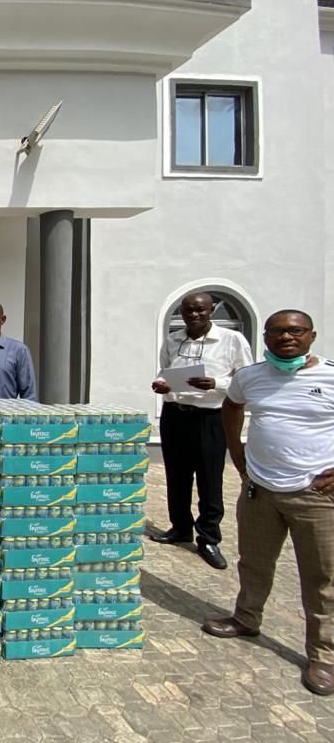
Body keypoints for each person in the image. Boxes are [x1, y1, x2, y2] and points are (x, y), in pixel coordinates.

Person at [202, 309, 334, 696]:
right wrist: (236, 452)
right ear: (265, 337)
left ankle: (324, 655)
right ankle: (246, 618)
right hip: (259, 490)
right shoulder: (250, 376)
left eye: (295, 331)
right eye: (276, 331)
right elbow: (231, 407)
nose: (285, 337)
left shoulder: (330, 376)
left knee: (322, 577)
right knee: (254, 562)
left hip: (316, 494)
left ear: (311, 336)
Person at [149, 292, 253, 570]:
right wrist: (161, 383)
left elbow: (245, 378)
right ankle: (180, 527)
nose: (194, 315)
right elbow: (165, 370)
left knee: (209, 478)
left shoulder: (231, 340)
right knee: (176, 475)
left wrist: (216, 383)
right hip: (175, 414)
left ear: (211, 310)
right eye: (188, 311)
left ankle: (208, 537)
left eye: (200, 310)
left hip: (210, 417)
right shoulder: (173, 339)